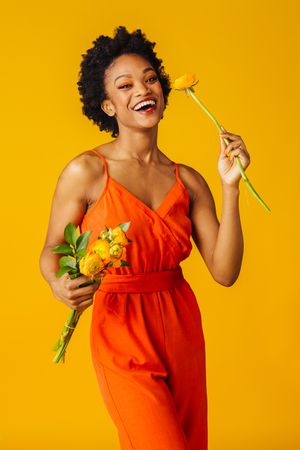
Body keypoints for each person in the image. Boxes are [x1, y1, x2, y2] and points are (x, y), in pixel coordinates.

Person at [39, 25, 250, 450]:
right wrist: (58, 283)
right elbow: (50, 251)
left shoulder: (189, 180)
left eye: (151, 78)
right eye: (125, 84)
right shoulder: (86, 171)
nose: (143, 88)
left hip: (181, 324)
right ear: (107, 105)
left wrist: (231, 186)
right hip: (121, 325)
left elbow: (225, 273)